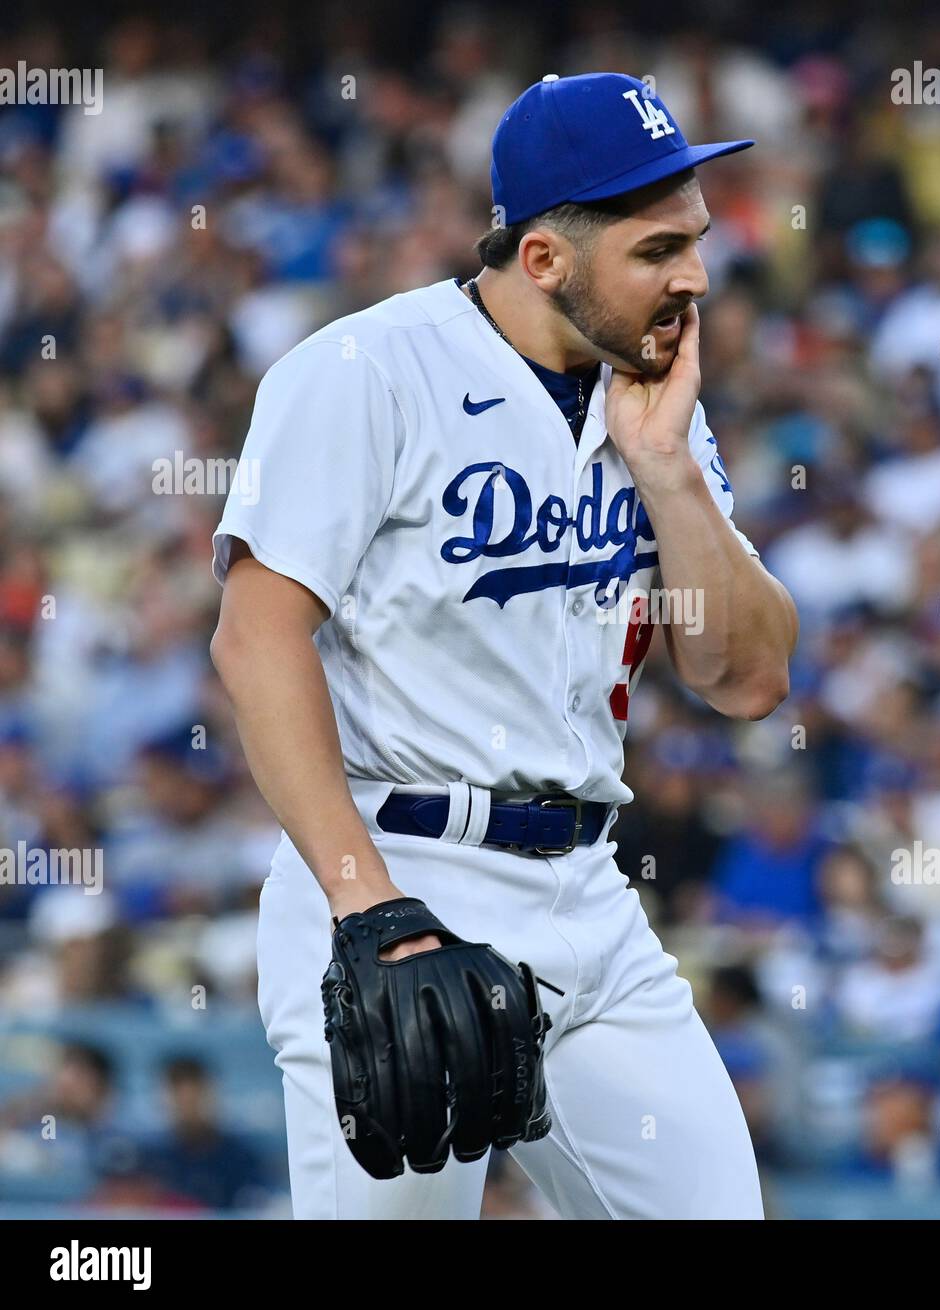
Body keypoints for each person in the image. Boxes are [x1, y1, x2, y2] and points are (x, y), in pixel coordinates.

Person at [209, 71, 798, 1220]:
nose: (694, 276)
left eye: (696, 240)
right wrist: (363, 904)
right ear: (543, 259)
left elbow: (747, 677)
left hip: (590, 888)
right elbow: (256, 636)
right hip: (403, 868)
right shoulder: (364, 372)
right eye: (657, 247)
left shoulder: (653, 396)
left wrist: (671, 471)